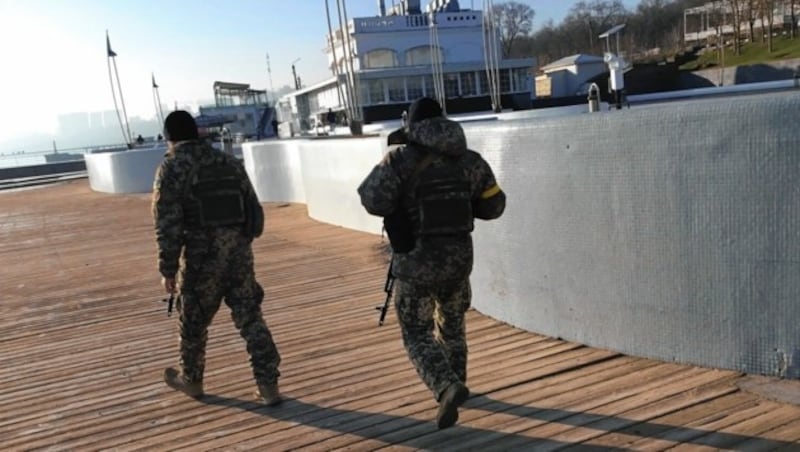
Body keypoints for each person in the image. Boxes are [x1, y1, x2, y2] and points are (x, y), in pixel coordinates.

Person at [357, 97, 506, 429]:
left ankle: (446, 386)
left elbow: (372, 199)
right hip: (458, 263)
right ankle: (459, 383)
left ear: (412, 124)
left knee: (416, 333)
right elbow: (495, 206)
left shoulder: (400, 160)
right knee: (452, 328)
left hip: (415, 264)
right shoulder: (470, 161)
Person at [152, 110, 282, 405]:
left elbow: (167, 223)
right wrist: (239, 242)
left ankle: (193, 380)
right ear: (196, 132)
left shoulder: (172, 167)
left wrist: (168, 269)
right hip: (239, 254)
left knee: (193, 323)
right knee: (251, 320)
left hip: (201, 259)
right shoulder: (227, 161)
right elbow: (253, 209)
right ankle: (269, 386)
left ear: (169, 138)